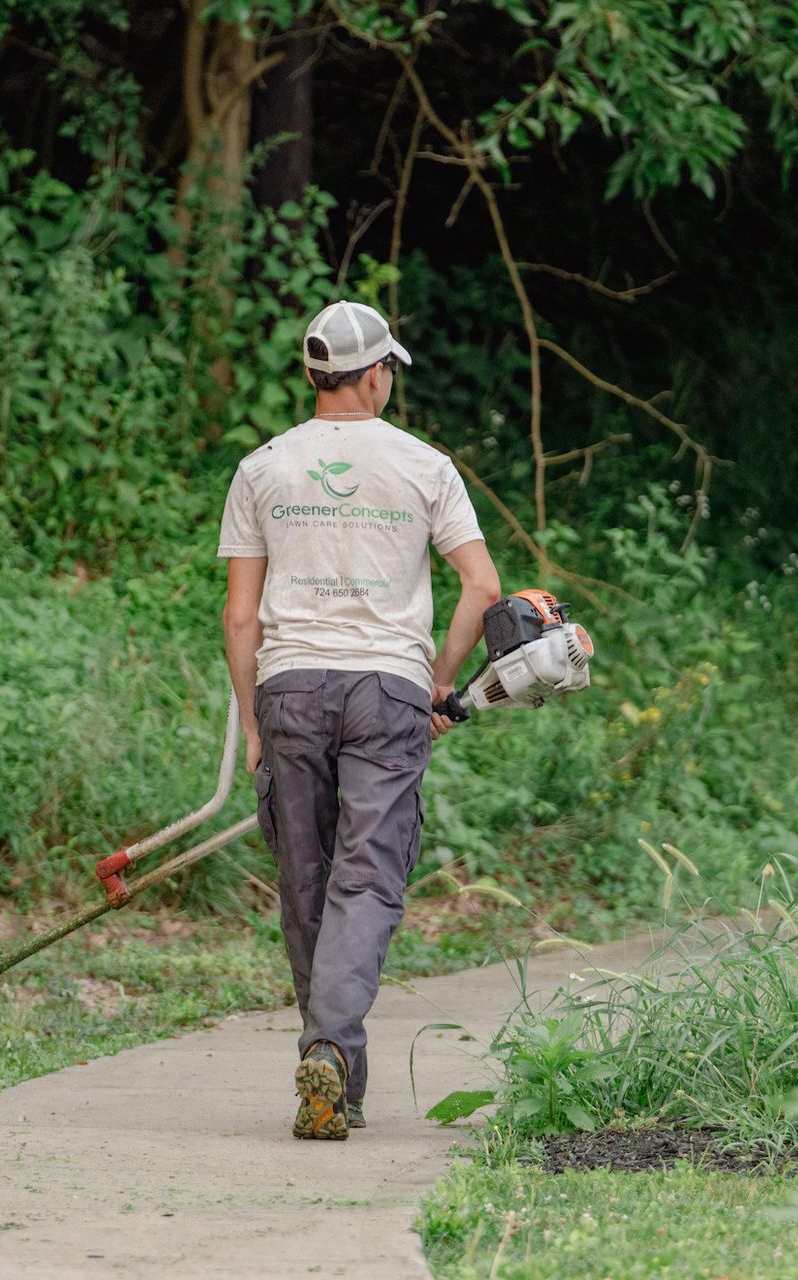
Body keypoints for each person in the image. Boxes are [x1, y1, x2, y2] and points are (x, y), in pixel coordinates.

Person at [218, 300, 501, 1140]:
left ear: (312, 375)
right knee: (368, 876)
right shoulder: (424, 466)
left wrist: (253, 717)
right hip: (387, 690)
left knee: (306, 880)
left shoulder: (263, 467)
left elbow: (241, 617)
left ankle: (334, 1061)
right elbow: (481, 588)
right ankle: (335, 1055)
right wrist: (437, 686)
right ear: (377, 372)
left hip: (292, 686)